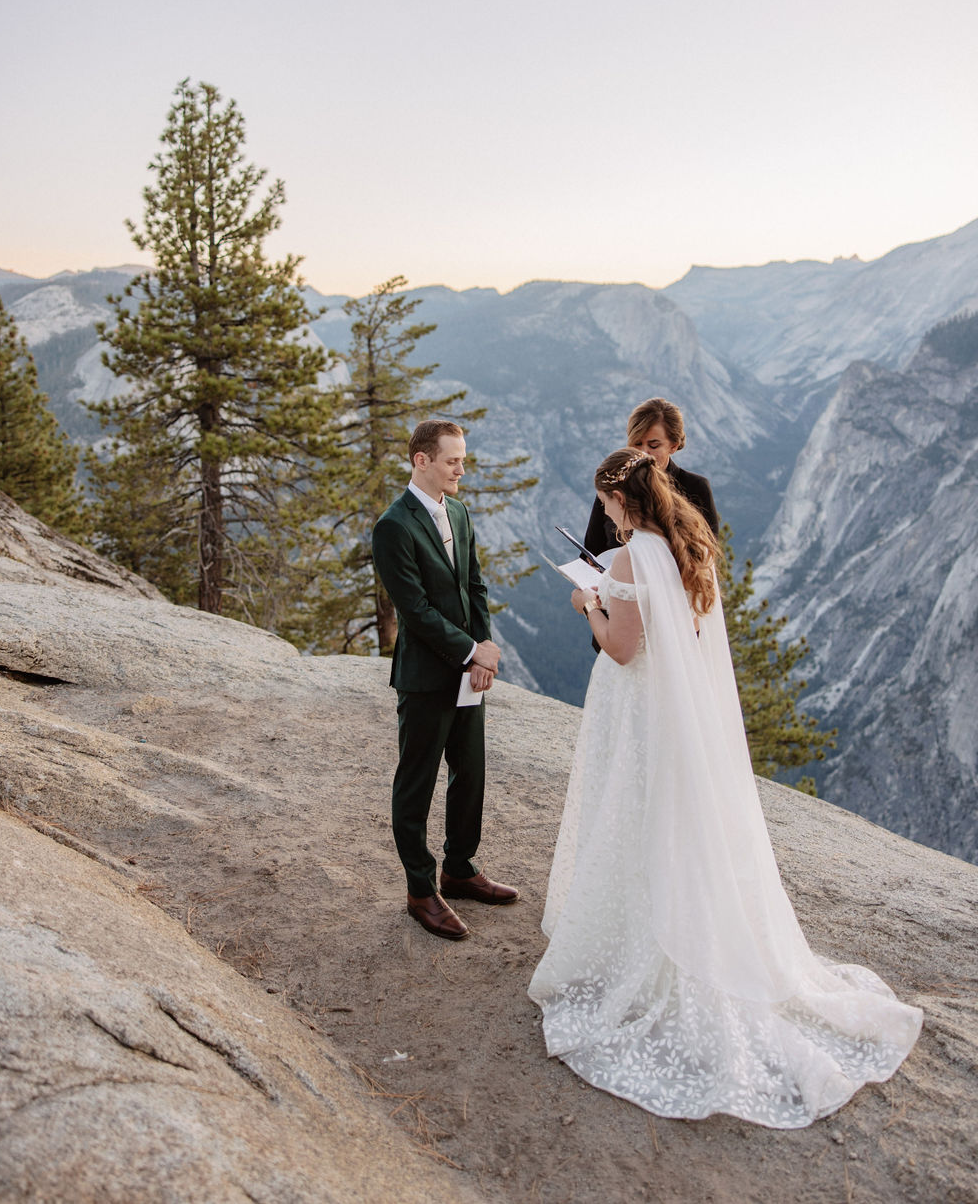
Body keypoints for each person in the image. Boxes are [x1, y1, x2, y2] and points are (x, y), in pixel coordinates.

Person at [529, 449, 922, 1126]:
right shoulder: (689, 545)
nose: (605, 513)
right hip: (683, 718)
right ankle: (681, 928)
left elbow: (621, 647)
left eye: (608, 502)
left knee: (635, 819)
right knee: (672, 830)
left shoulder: (628, 560)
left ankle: (648, 952)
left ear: (624, 499)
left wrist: (587, 601)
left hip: (642, 712)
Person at [372, 419, 519, 942]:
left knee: (470, 773)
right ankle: (420, 888)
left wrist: (481, 652)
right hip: (425, 677)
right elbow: (413, 610)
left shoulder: (457, 510)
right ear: (421, 461)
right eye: (453, 459)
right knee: (416, 782)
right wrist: (468, 650)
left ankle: (460, 868)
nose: (462, 468)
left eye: (462, 458)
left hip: (466, 672)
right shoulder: (394, 526)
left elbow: (473, 584)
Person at [583, 397, 718, 559]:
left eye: (654, 445)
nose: (643, 452)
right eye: (637, 444)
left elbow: (705, 558)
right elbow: (591, 551)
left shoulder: (695, 487)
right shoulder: (613, 484)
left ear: (673, 446)